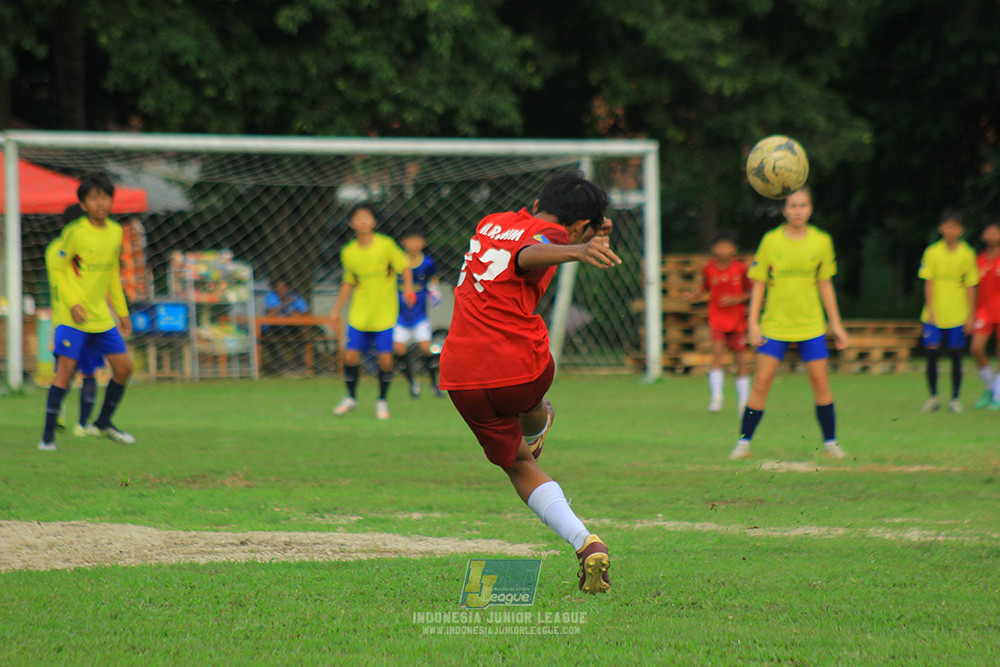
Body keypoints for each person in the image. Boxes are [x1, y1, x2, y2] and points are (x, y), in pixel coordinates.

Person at [440, 172, 619, 594]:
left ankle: (585, 541)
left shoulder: (489, 221)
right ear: (577, 228)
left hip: (461, 373)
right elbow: (526, 254)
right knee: (532, 398)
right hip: (520, 366)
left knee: (519, 465)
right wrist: (577, 247)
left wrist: (586, 231)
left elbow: (518, 240)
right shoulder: (550, 237)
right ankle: (538, 426)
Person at [728, 187, 849, 461]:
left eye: (803, 205)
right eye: (793, 206)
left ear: (810, 209)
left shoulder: (821, 241)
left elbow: (826, 285)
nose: (798, 210)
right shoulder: (771, 241)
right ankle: (743, 443)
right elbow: (758, 283)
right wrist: (753, 322)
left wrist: (836, 325)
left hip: (811, 325)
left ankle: (830, 443)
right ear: (785, 210)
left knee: (820, 381)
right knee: (761, 382)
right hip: (775, 325)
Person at [38, 173, 136, 451]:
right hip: (73, 318)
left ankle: (103, 421)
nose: (100, 203)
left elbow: (113, 273)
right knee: (66, 372)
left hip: (102, 319)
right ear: (83, 204)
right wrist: (73, 303)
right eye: (94, 198)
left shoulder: (116, 232)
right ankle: (47, 436)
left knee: (125, 368)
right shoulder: (75, 232)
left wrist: (122, 311)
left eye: (105, 197)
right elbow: (58, 269)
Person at [329, 203, 415, 420]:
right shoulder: (348, 252)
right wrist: (336, 309)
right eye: (358, 217)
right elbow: (349, 281)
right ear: (352, 223)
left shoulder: (385, 245)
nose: (363, 221)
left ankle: (382, 401)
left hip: (384, 312)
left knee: (385, 360)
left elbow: (403, 265)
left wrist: (409, 288)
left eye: (367, 217)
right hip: (360, 312)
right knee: (350, 357)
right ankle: (351, 398)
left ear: (374, 222)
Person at [46, 204, 107, 438]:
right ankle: (78, 422)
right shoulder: (73, 249)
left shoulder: (55, 248)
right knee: (82, 372)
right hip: (79, 320)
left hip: (73, 320)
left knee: (72, 371)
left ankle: (68, 418)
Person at [918, 210, 979, 413]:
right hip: (934, 314)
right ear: (940, 228)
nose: (951, 230)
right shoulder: (932, 252)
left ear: (961, 230)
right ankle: (933, 396)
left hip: (958, 313)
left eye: (955, 226)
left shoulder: (967, 254)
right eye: (947, 226)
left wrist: (971, 315)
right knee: (932, 354)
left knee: (956, 356)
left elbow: (971, 285)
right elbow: (928, 282)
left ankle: (954, 398)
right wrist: (931, 309)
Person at [685, 231, 752, 413]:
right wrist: (693, 295)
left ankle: (744, 402)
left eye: (727, 246)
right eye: (720, 246)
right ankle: (716, 398)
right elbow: (704, 286)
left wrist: (735, 299)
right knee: (717, 352)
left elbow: (751, 292)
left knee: (740, 359)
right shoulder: (709, 268)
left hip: (737, 320)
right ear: (714, 249)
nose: (723, 250)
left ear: (734, 249)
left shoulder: (741, 268)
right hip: (717, 318)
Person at [393, 227, 443, 398]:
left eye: (417, 240)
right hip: (399, 316)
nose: (414, 244)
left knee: (426, 349)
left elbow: (433, 281)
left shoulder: (428, 263)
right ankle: (412, 384)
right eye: (410, 240)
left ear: (422, 243)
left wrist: (434, 293)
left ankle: (434, 384)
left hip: (420, 316)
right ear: (403, 243)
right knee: (398, 350)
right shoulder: (397, 262)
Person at [971, 219, 1000, 409]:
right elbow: (972, 287)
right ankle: (990, 388)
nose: (991, 236)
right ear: (983, 236)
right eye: (988, 232)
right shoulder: (978, 259)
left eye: (994, 232)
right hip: (983, 312)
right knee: (976, 349)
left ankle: (997, 395)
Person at [261, 276, 310, 373]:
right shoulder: (271, 296)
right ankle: (282, 367)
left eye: (284, 287)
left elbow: (305, 313)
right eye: (279, 287)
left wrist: (297, 313)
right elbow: (270, 313)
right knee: (271, 340)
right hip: (273, 328)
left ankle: (302, 366)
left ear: (288, 287)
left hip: (290, 326)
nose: (282, 289)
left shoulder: (294, 297)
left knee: (302, 338)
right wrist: (284, 304)